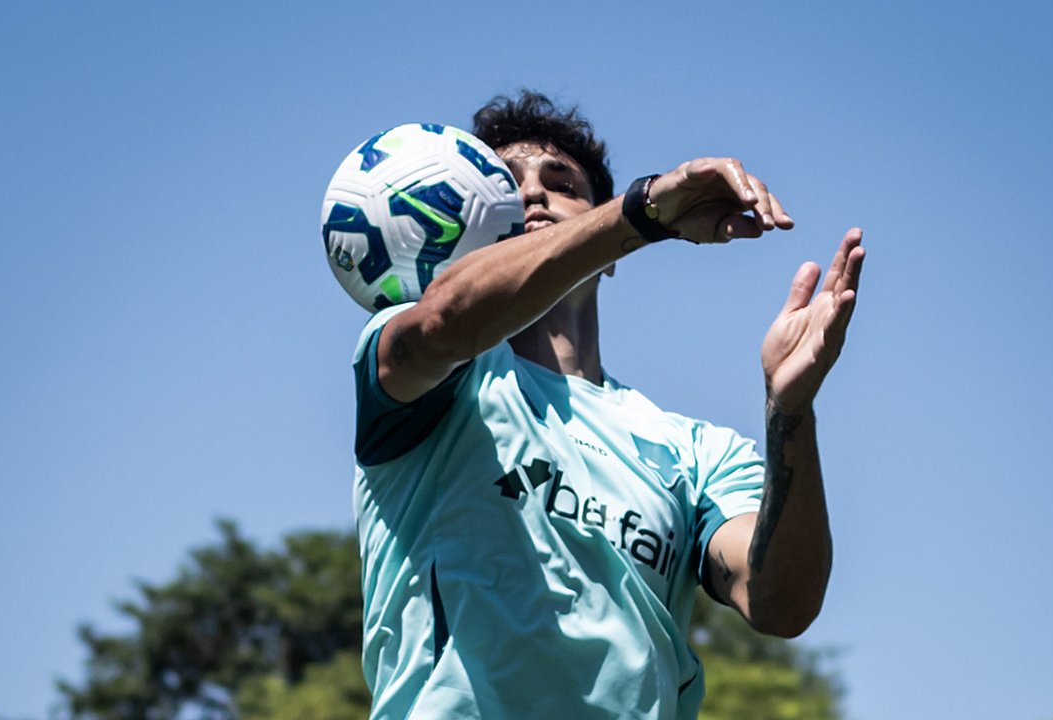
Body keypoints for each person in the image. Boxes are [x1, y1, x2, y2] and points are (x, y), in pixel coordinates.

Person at [350, 91, 865, 719]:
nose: (532, 195)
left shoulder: (694, 451)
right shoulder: (437, 375)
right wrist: (642, 211)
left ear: (608, 253)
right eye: (505, 184)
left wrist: (791, 413)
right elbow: (442, 322)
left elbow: (781, 602)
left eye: (561, 183)